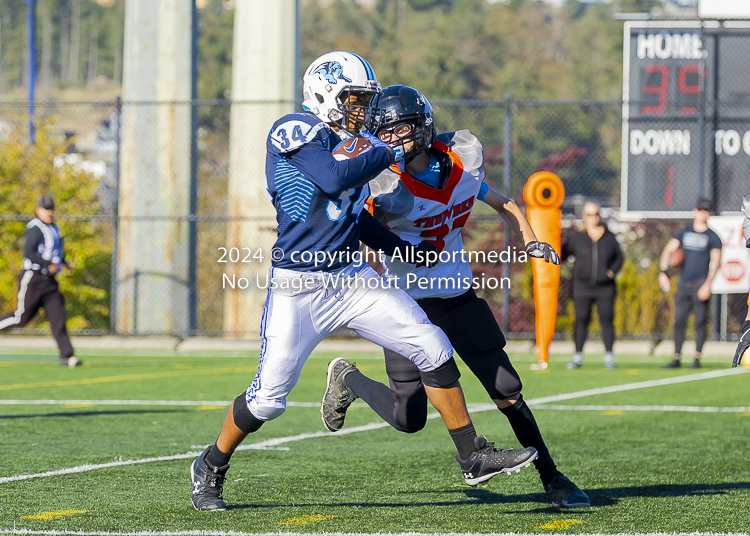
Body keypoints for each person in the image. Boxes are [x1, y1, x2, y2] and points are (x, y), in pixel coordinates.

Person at [189, 53, 537, 512]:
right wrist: (392, 149)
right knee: (268, 400)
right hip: (300, 285)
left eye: (366, 99)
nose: (362, 109)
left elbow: (355, 219)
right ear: (324, 94)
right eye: (354, 98)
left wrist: (403, 249)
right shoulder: (295, 129)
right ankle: (211, 464)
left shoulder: (361, 143)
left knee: (432, 345)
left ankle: (472, 455)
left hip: (350, 277)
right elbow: (333, 179)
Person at [319, 85, 589, 508]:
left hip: (458, 296)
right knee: (409, 420)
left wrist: (530, 238)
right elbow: (355, 229)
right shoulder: (384, 184)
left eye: (401, 129)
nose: (392, 140)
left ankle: (553, 477)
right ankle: (348, 378)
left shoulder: (463, 163)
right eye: (383, 133)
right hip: (408, 306)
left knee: (507, 389)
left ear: (424, 125)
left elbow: (506, 204)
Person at [0, 195, 80, 368]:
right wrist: (47, 264)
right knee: (21, 317)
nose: (49, 212)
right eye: (46, 209)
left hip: (50, 282)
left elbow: (55, 252)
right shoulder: (35, 228)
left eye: (51, 208)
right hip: (33, 279)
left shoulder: (55, 228)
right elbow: (28, 253)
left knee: (58, 316)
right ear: (38, 210)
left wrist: (65, 263)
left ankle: (67, 355)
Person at [658, 198, 721, 369]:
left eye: (706, 210)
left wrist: (708, 283)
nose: (703, 213)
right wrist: (663, 272)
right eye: (700, 210)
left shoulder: (713, 237)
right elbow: (668, 250)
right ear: (694, 211)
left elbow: (715, 262)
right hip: (684, 282)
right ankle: (676, 357)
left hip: (700, 283)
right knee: (679, 320)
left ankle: (696, 358)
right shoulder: (684, 232)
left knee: (700, 322)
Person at [560, 202, 623, 370]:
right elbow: (562, 254)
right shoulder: (577, 237)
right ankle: (578, 356)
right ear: (584, 216)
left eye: (596, 214)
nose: (593, 217)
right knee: (581, 320)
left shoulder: (609, 237)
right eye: (589, 214)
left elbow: (619, 257)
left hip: (605, 288)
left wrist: (611, 272)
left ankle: (609, 356)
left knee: (607, 319)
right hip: (582, 287)